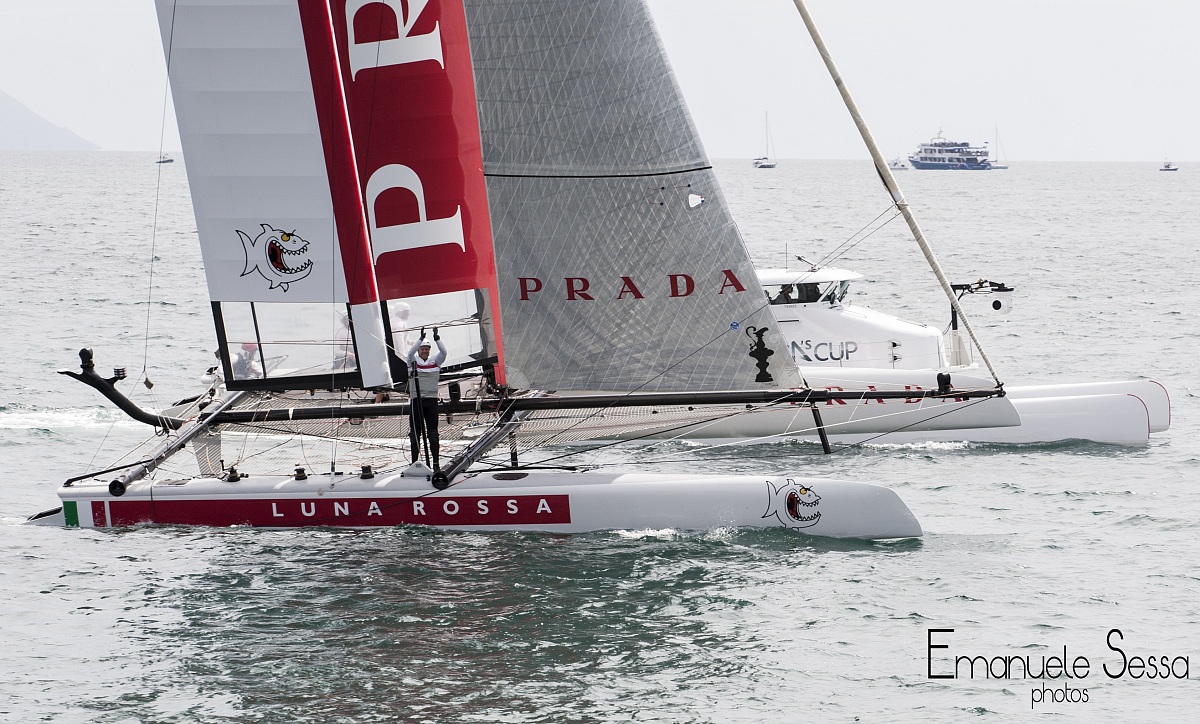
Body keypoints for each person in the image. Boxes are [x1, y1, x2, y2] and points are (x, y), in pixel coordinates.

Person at [407, 327, 447, 469]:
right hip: (416, 400)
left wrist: (437, 339)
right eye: (422, 349)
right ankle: (414, 463)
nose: (424, 351)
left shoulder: (435, 361)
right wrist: (419, 339)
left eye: (426, 349)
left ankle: (436, 463)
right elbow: (410, 352)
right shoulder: (412, 362)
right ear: (419, 350)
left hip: (431, 400)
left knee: (433, 433)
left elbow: (444, 352)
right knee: (415, 434)